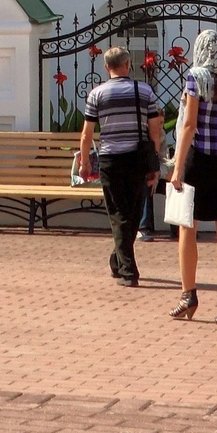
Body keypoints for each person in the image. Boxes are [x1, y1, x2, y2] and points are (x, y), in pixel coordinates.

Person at [165, 29, 217, 324]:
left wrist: (177, 167)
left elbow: (188, 125)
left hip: (198, 159)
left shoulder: (194, 78)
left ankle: (189, 295)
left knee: (188, 229)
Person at [75, 44, 165, 287]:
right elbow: (155, 127)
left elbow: (87, 133)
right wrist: (154, 158)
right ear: (128, 65)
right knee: (133, 213)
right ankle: (127, 269)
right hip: (137, 158)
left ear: (106, 67)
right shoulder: (144, 91)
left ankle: (120, 262)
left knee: (118, 212)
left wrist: (84, 162)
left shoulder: (97, 94)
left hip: (110, 160)